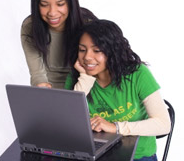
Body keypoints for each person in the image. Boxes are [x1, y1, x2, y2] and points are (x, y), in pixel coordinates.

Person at [64, 20, 171, 161]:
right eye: (82, 50)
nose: (87, 57)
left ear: (113, 51)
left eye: (97, 50)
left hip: (137, 156)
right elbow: (65, 124)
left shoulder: (138, 74)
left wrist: (116, 127)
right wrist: (85, 79)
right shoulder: (78, 78)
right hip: (93, 155)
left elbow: (163, 124)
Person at [21, 0, 97, 89]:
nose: (52, 13)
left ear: (71, 2)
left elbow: (94, 72)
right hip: (51, 92)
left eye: (60, 4)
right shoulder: (30, 27)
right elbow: (38, 75)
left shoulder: (88, 24)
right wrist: (44, 91)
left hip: (84, 88)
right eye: (44, 5)